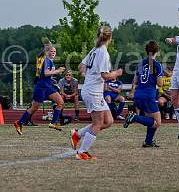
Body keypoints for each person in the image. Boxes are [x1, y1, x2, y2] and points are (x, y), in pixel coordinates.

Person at [70, 25, 123, 161]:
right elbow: (105, 76)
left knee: (109, 121)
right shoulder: (103, 53)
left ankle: (77, 134)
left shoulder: (95, 50)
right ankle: (82, 151)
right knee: (98, 123)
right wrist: (116, 73)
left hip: (93, 91)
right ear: (110, 37)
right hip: (93, 92)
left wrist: (88, 75)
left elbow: (80, 67)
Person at [14, 44, 66, 134]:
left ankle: (53, 123)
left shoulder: (49, 60)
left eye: (54, 51)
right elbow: (46, 73)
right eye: (51, 51)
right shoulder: (46, 60)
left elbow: (47, 74)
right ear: (47, 52)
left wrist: (55, 72)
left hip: (48, 86)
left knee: (60, 103)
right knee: (34, 108)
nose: (53, 53)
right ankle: (19, 123)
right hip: (41, 87)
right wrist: (58, 71)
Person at [124, 40, 164, 148]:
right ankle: (134, 118)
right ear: (157, 51)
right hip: (148, 95)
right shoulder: (157, 65)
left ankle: (148, 141)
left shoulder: (142, 63)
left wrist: (132, 92)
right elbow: (160, 84)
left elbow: (135, 80)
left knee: (150, 119)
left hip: (138, 94)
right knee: (157, 122)